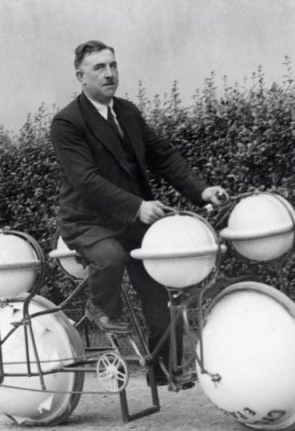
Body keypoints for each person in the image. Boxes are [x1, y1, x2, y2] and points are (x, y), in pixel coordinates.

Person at [50, 40, 226, 380]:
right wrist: (137, 206)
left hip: (133, 220)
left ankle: (165, 369)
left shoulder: (127, 112)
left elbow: (163, 156)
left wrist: (201, 190)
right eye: (99, 68)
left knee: (160, 289)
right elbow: (86, 180)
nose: (110, 73)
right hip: (88, 222)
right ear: (80, 76)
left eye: (113, 65)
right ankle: (100, 307)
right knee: (110, 257)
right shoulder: (67, 123)